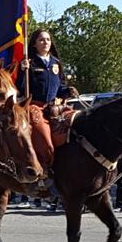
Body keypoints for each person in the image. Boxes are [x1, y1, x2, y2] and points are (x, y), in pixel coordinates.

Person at [15, 29, 79, 168]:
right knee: (46, 143)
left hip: (55, 107)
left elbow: (60, 88)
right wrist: (21, 71)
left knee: (76, 128)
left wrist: (68, 91)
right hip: (34, 107)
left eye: (48, 39)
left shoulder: (56, 63)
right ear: (34, 44)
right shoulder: (29, 63)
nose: (46, 42)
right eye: (41, 40)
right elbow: (20, 89)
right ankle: (44, 173)